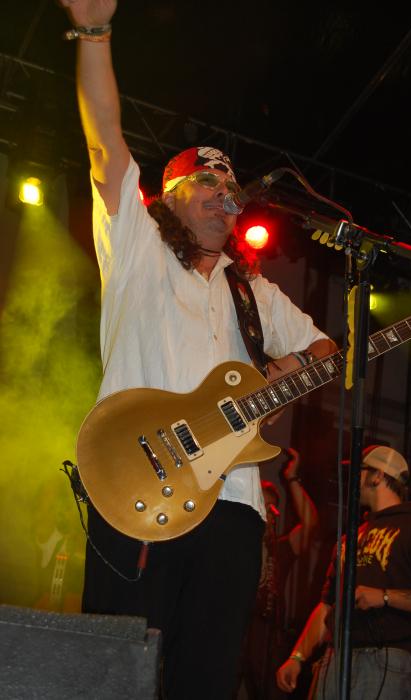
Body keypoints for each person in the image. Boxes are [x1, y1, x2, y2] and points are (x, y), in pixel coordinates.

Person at [58, 2, 337, 698]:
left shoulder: (254, 290)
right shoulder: (139, 250)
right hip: (137, 484)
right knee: (118, 674)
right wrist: (94, 31)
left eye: (232, 190)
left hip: (234, 504)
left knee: (205, 679)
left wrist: (289, 369)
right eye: (207, 185)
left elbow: (327, 350)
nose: (224, 198)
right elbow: (105, 144)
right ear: (171, 198)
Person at [276, 445, 411, 700]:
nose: (353, 480)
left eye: (359, 472)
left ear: (377, 476)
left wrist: (384, 596)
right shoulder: (348, 538)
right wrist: (297, 656)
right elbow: (327, 606)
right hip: (335, 658)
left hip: (387, 660)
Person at [240, 447, 319, 699]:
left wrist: (292, 478)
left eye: (273, 507)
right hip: (236, 628)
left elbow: (310, 523)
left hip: (268, 634)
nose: (270, 513)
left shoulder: (281, 548)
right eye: (263, 505)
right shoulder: (235, 546)